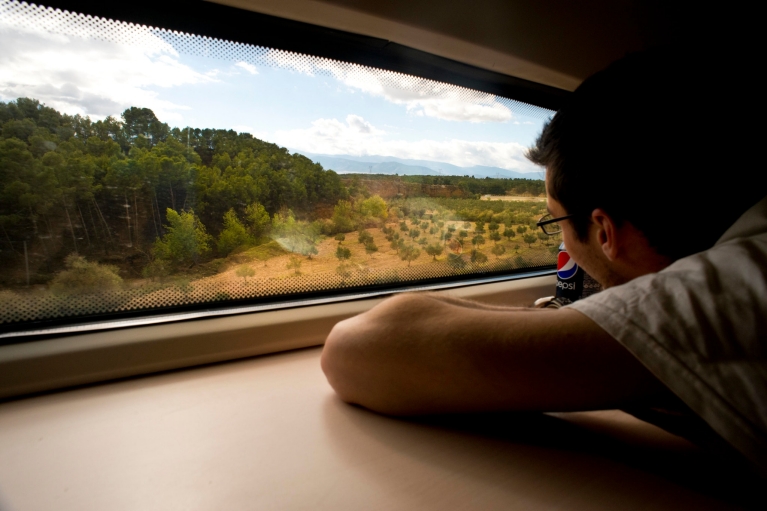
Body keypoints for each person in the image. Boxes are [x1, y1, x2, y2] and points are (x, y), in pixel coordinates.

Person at [320, 48, 767, 474]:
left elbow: (359, 349)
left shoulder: (726, 296)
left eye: (557, 222)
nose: (566, 246)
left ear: (605, 231)